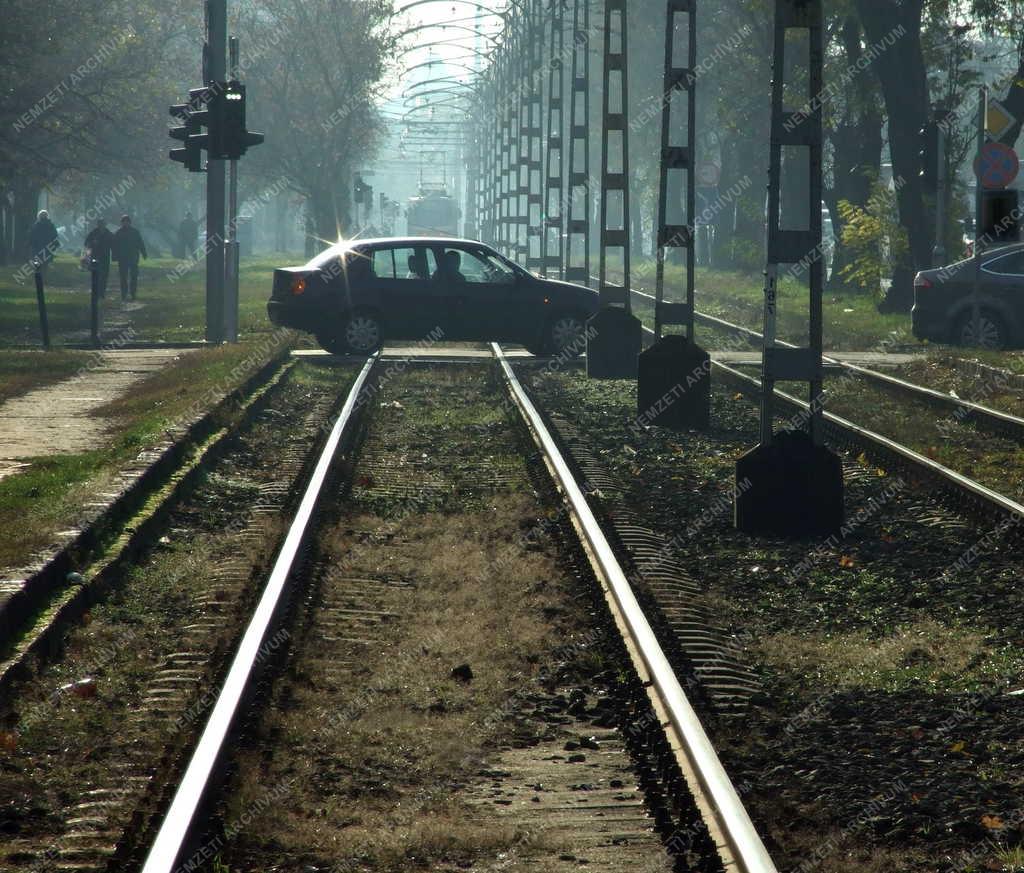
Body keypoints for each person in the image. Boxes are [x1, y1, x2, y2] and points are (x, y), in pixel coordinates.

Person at [111, 214, 148, 302]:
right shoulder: (118, 233)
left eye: (127, 222)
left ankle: (133, 293)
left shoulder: (135, 232)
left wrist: (144, 253)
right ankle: (124, 293)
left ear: (129, 222)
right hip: (122, 258)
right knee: (123, 277)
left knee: (133, 276)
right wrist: (114, 256)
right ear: (122, 223)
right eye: (124, 222)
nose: (125, 223)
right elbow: (114, 246)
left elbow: (140, 243)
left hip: (133, 257)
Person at [84, 217, 114, 298]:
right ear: (98, 225)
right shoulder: (93, 233)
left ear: (105, 225)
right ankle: (96, 291)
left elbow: (113, 245)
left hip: (105, 257)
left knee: (104, 275)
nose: (101, 226)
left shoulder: (109, 234)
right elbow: (86, 243)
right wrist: (92, 244)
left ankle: (102, 292)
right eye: (100, 224)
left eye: (103, 224)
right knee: (96, 275)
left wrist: (115, 256)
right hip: (95, 257)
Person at [28, 209, 60, 274]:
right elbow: (55, 235)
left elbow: (32, 235)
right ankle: (43, 273)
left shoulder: (36, 225)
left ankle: (38, 272)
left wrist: (30, 243)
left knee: (37, 260)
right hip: (47, 246)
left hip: (37, 246)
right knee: (45, 261)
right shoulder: (50, 225)